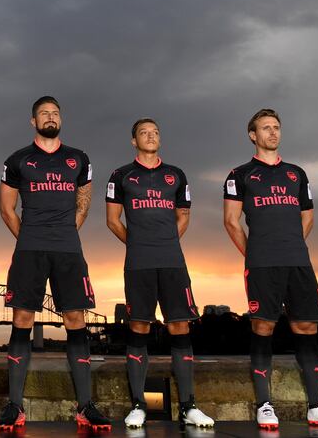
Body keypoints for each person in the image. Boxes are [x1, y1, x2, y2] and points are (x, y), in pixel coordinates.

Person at [223, 109, 318, 430]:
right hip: (262, 264)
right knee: (263, 327)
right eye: (266, 128)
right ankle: (264, 404)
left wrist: (292, 243)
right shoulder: (240, 174)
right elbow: (231, 221)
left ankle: (316, 405)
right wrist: (254, 252)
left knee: (306, 327)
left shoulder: (296, 173)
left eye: (276, 127)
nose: (273, 133)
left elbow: (308, 217)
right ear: (253, 135)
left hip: (298, 261)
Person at [0, 96, 111, 432]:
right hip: (30, 249)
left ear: (61, 119)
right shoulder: (18, 160)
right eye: (44, 113)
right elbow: (6, 209)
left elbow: (83, 204)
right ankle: (14, 406)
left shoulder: (78, 159)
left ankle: (85, 406)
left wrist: (62, 234)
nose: (50, 117)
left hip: (68, 250)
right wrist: (30, 236)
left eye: (55, 113)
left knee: (76, 317)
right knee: (23, 317)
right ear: (33, 121)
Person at [106, 118, 214, 429]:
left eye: (155, 132)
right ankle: (138, 404)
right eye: (144, 132)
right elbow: (113, 221)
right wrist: (140, 243)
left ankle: (189, 406)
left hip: (172, 261)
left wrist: (164, 242)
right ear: (133, 140)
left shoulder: (176, 175)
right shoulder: (121, 175)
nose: (150, 136)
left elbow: (184, 216)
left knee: (179, 326)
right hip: (138, 262)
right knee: (139, 326)